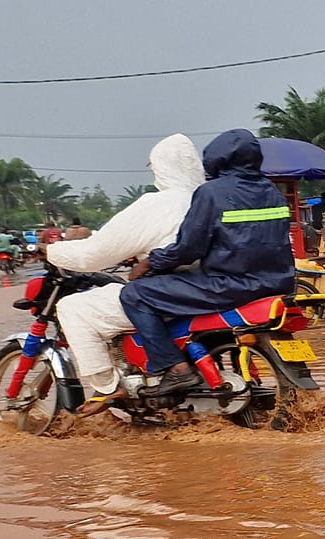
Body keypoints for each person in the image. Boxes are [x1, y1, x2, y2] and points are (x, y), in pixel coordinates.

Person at [121, 129, 296, 400]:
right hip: (278, 283)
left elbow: (189, 249)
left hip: (229, 286)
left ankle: (175, 368)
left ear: (216, 158)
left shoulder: (211, 193)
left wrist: (149, 263)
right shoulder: (271, 190)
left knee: (134, 295)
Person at [46, 135, 206, 412]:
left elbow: (94, 254)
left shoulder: (158, 204)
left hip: (169, 290)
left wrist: (52, 252)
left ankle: (106, 387)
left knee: (72, 307)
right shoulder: (209, 199)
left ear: (161, 168)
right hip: (212, 287)